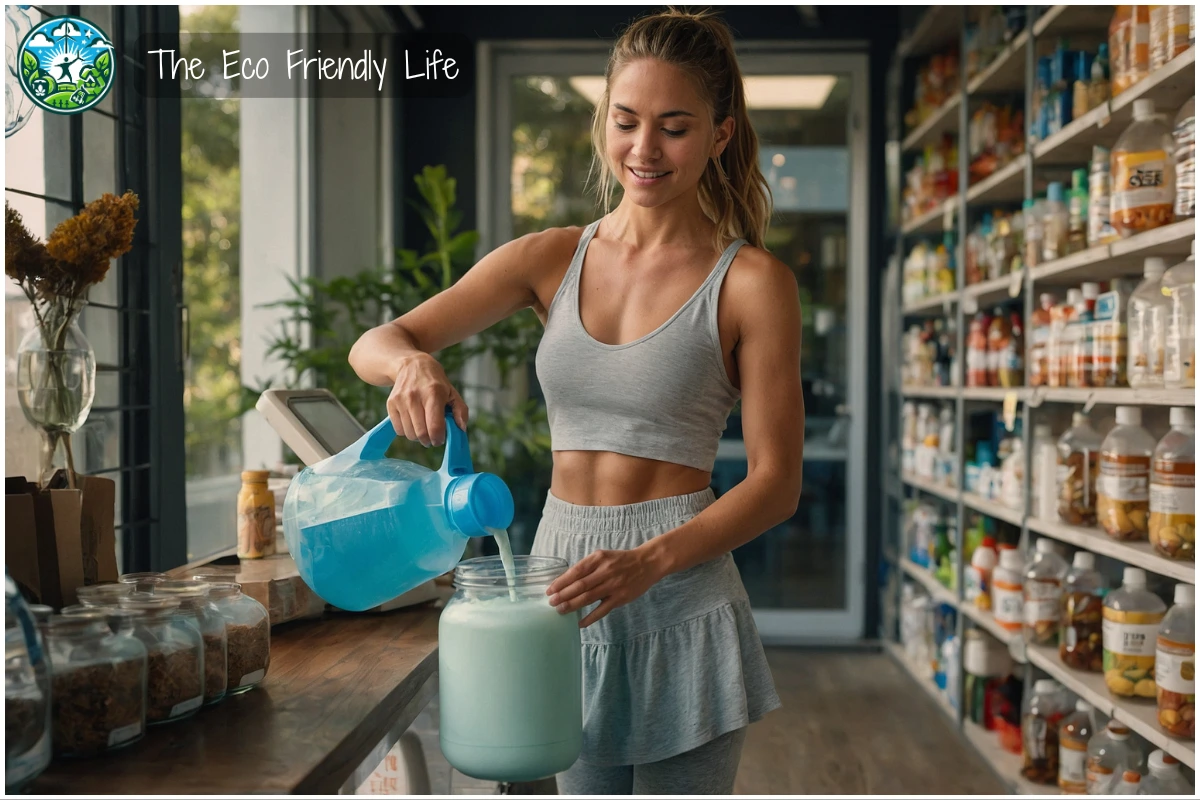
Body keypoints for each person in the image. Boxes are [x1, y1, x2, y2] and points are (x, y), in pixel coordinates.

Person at [349, 8, 804, 795]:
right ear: (604, 121)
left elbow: (776, 484)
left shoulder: (753, 282)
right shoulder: (551, 257)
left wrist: (651, 561)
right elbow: (375, 341)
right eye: (626, 122)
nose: (644, 150)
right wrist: (413, 365)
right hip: (565, 585)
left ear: (720, 135)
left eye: (674, 127)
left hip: (680, 591)